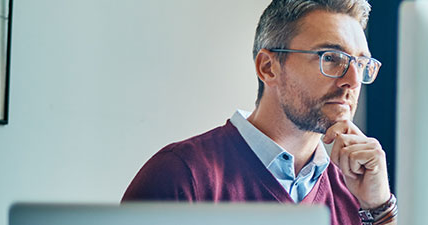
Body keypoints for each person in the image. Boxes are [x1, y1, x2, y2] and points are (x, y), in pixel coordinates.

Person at [122, 0, 395, 224]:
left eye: (360, 63)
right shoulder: (180, 176)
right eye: (331, 58)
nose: (354, 80)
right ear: (268, 67)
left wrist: (379, 208)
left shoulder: (358, 190)